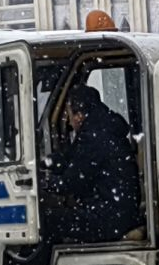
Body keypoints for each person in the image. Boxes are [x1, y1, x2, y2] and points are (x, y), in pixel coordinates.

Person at [43, 84, 141, 243]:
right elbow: (70, 158)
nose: (68, 122)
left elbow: (72, 182)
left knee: (45, 220)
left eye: (68, 114)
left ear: (79, 115)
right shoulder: (103, 128)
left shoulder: (93, 137)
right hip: (120, 213)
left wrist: (45, 183)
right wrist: (45, 163)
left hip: (108, 218)